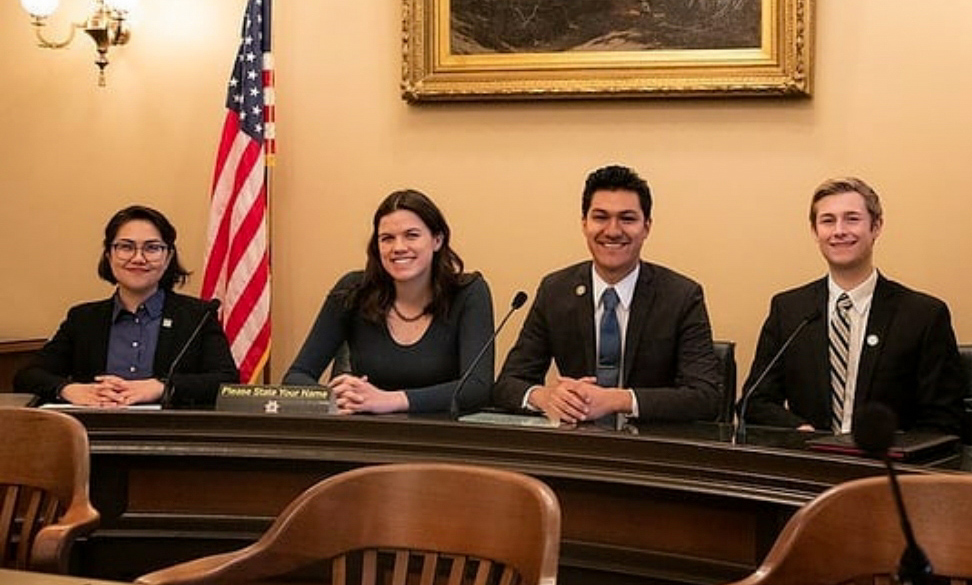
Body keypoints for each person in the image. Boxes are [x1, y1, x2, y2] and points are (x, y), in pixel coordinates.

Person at [493, 165, 722, 426]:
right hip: (576, 448)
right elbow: (506, 385)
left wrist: (617, 400)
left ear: (647, 227)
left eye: (627, 218)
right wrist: (544, 397)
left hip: (653, 450)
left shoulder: (681, 296)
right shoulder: (555, 290)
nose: (612, 231)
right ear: (584, 224)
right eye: (600, 217)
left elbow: (705, 398)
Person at [740, 177, 965, 435]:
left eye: (852, 219)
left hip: (886, 468)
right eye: (827, 221)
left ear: (876, 226)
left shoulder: (923, 316)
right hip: (810, 463)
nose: (839, 231)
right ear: (815, 231)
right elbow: (755, 401)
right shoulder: (789, 310)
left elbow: (944, 419)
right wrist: (800, 430)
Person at [283, 189, 494, 414]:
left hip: (441, 439)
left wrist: (390, 400)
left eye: (412, 235)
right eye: (387, 239)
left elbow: (477, 389)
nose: (399, 247)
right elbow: (296, 377)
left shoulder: (469, 292)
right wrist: (332, 397)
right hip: (367, 437)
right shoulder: (353, 290)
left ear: (437, 240)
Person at [15, 205, 239, 407]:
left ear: (168, 257)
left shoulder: (197, 317)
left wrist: (162, 388)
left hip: (172, 441)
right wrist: (69, 390)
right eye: (125, 247)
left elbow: (227, 381)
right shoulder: (83, 319)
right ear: (109, 255)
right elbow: (28, 375)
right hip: (94, 439)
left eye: (152, 248)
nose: (138, 258)